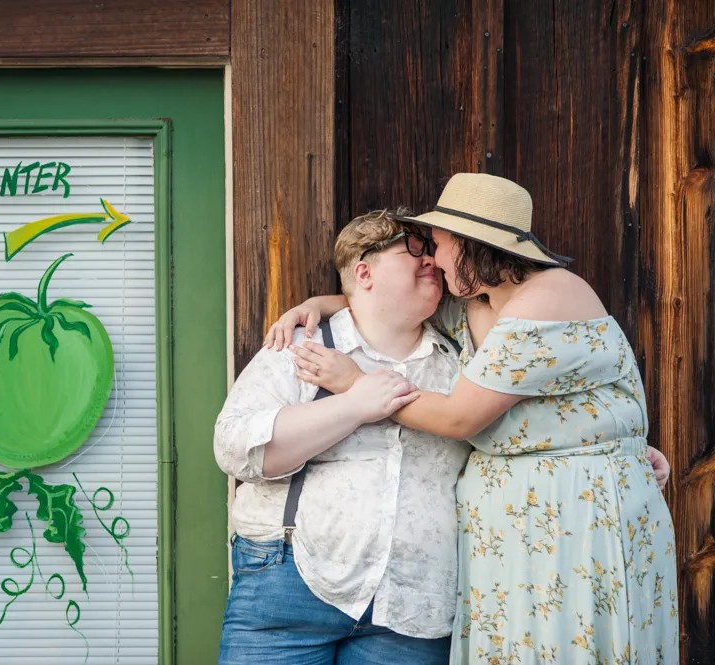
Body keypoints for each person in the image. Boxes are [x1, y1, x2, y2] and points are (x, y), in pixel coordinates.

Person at [265, 173, 678, 664]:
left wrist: (357, 383)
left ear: (472, 245)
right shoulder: (477, 305)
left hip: (573, 521)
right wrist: (318, 305)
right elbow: (389, 308)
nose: (433, 261)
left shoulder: (549, 298)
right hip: (509, 534)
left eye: (438, 245)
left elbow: (460, 418)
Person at [214, 209, 472, 664]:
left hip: (413, 605)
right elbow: (235, 447)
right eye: (413, 249)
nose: (430, 259)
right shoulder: (303, 346)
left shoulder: (460, 356)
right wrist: (354, 404)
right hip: (290, 586)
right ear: (364, 271)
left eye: (432, 250)